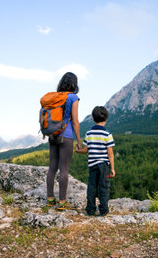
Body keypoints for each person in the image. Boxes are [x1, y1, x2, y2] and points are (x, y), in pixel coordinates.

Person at [46, 72, 82, 211]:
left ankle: (50, 199)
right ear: (74, 83)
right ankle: (62, 202)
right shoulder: (73, 97)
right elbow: (75, 121)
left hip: (53, 134)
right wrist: (79, 140)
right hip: (66, 136)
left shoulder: (56, 97)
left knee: (52, 167)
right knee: (64, 170)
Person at [76, 106, 115, 216]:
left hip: (92, 165)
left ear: (93, 118)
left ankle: (90, 209)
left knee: (92, 187)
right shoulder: (107, 134)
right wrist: (112, 168)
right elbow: (110, 153)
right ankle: (103, 210)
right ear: (106, 119)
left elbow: (86, 150)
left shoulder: (89, 133)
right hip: (104, 166)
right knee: (104, 186)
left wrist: (78, 151)